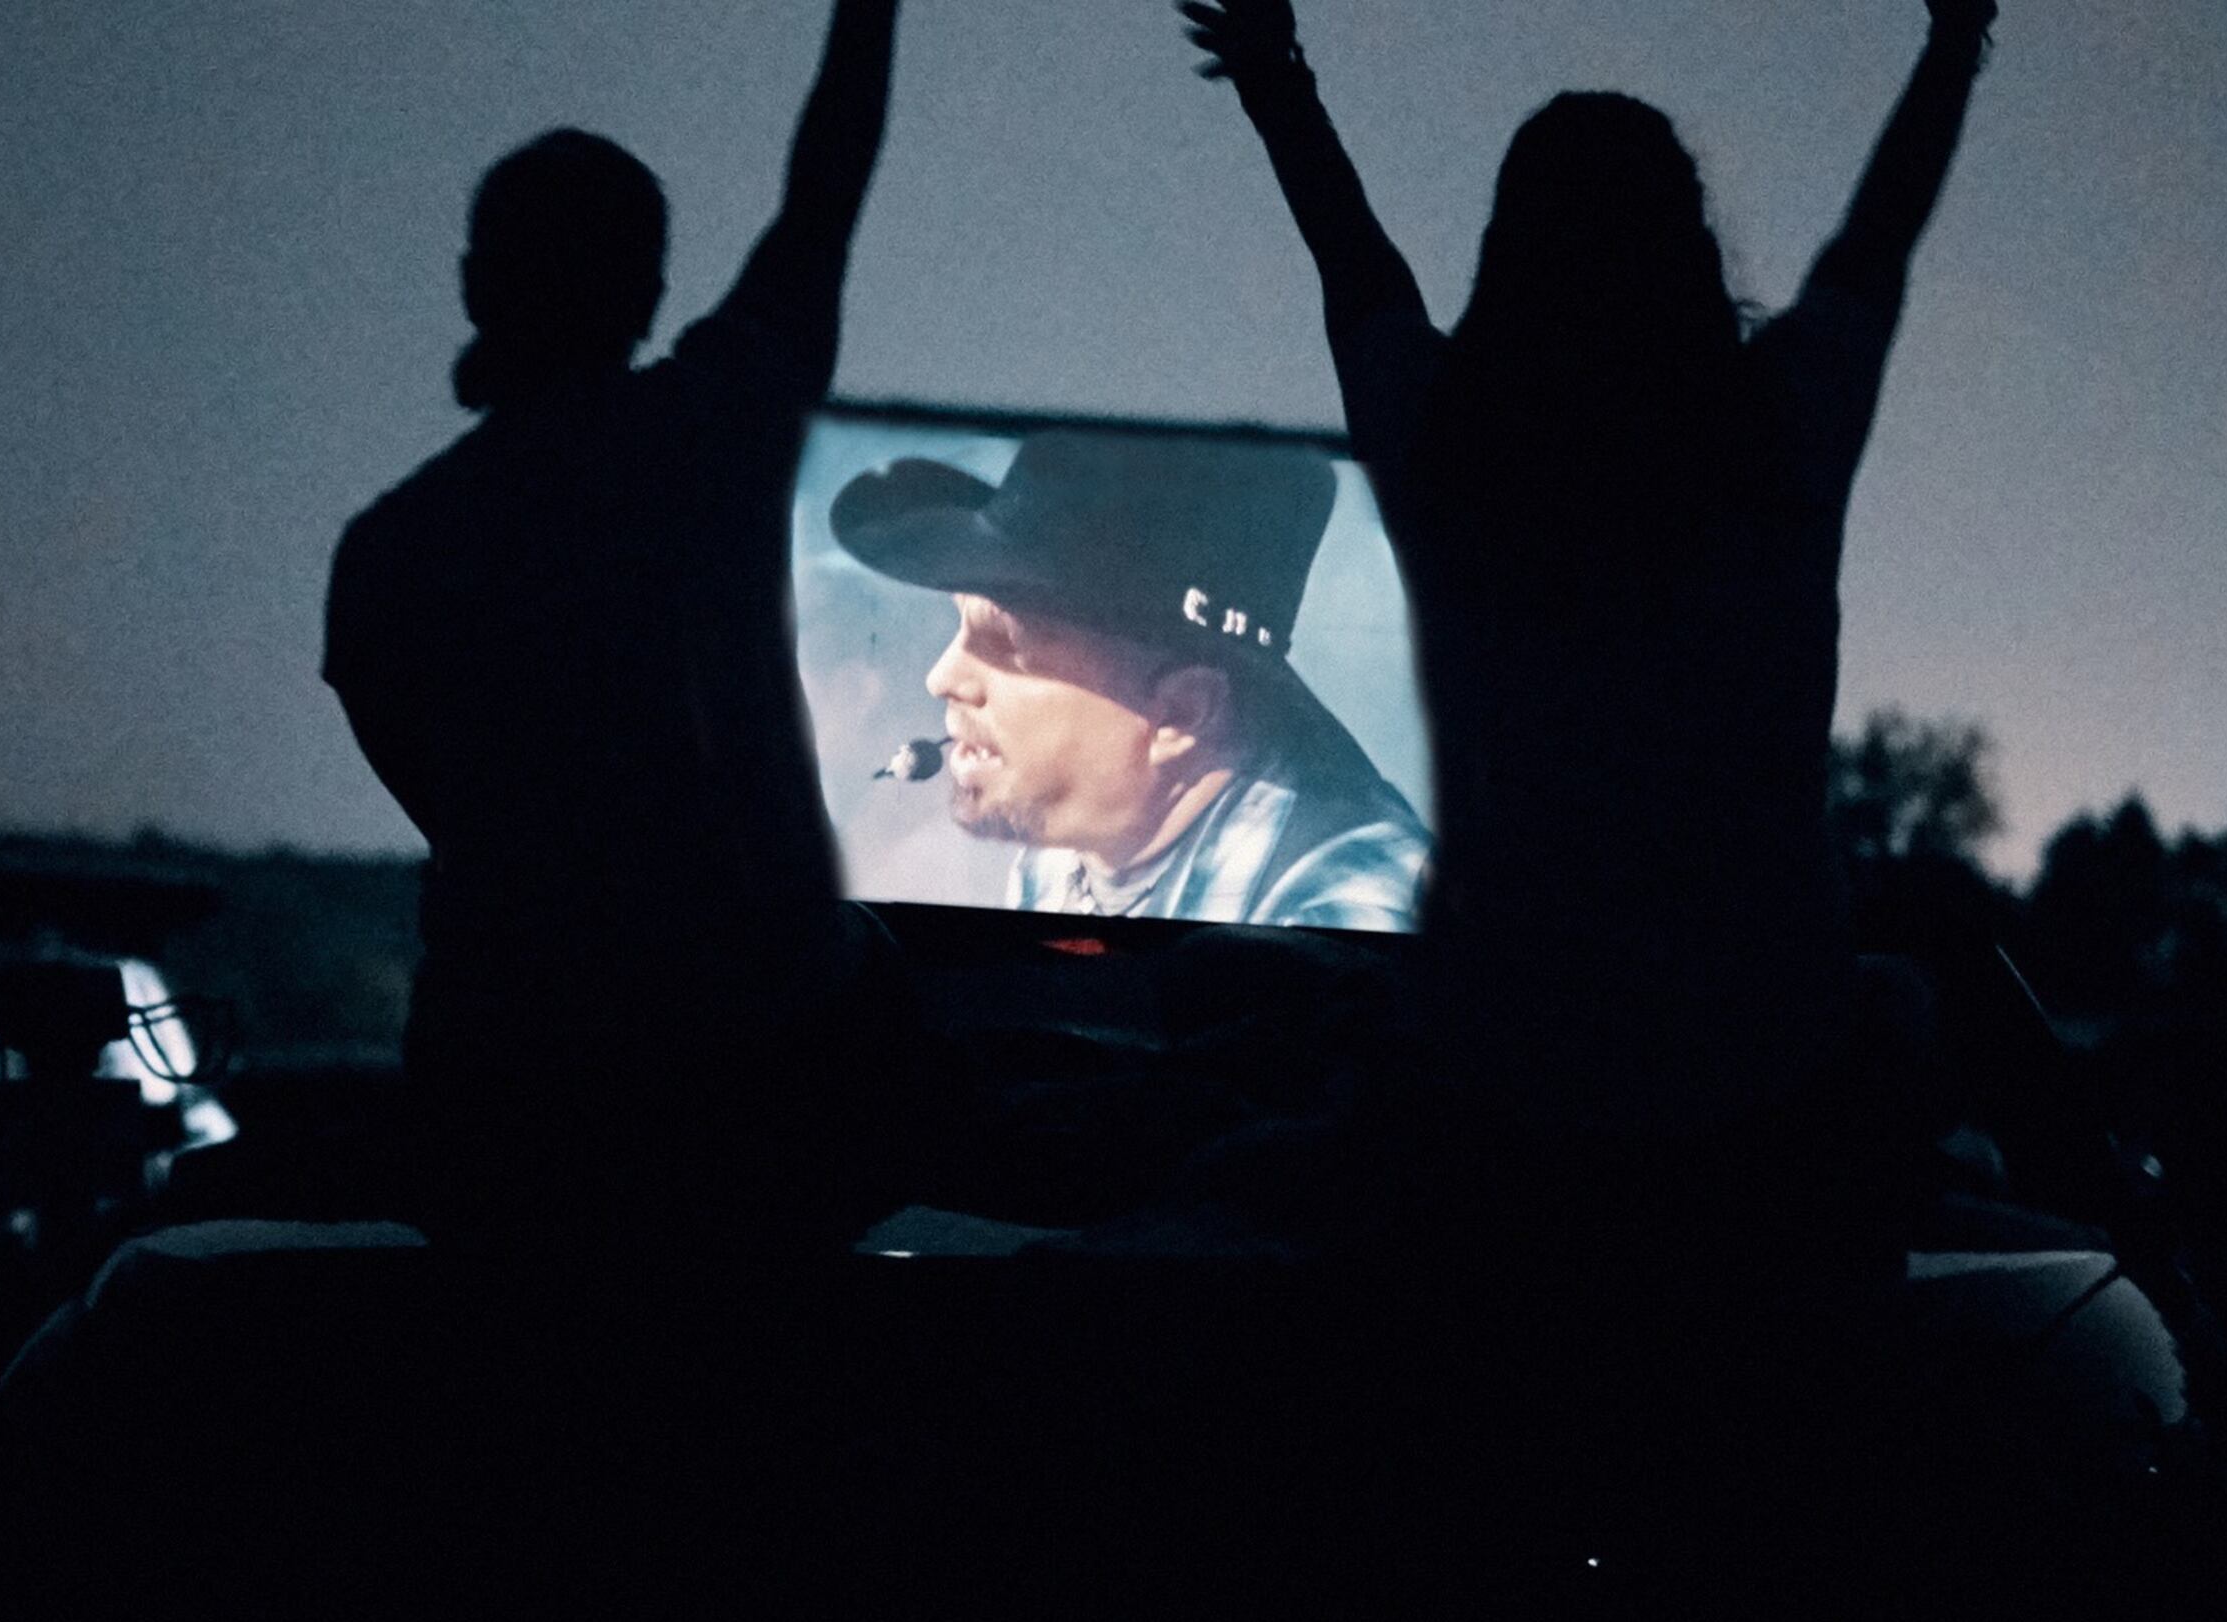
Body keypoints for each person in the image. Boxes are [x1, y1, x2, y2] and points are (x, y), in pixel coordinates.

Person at [1179, 0, 2000, 1259]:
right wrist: (1953, 45)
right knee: (1915, 1011)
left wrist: (1275, 81)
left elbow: (1355, 267)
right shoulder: (1783, 432)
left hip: (1501, 1090)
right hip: (1766, 1093)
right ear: (1687, 248)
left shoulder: (1438, 440)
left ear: (1509, 251)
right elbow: (1875, 239)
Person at [321, 0, 908, 1248]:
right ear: (648, 288)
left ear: (478, 283)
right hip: (745, 1089)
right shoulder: (722, 425)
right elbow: (827, 189)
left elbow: (438, 793)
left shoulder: (385, 554)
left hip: (506, 1097)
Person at [831, 429, 1430, 933]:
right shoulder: (1067, 849)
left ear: (1180, 715)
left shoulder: (1350, 916)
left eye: (1006, 645)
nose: (941, 678)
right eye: (961, 626)